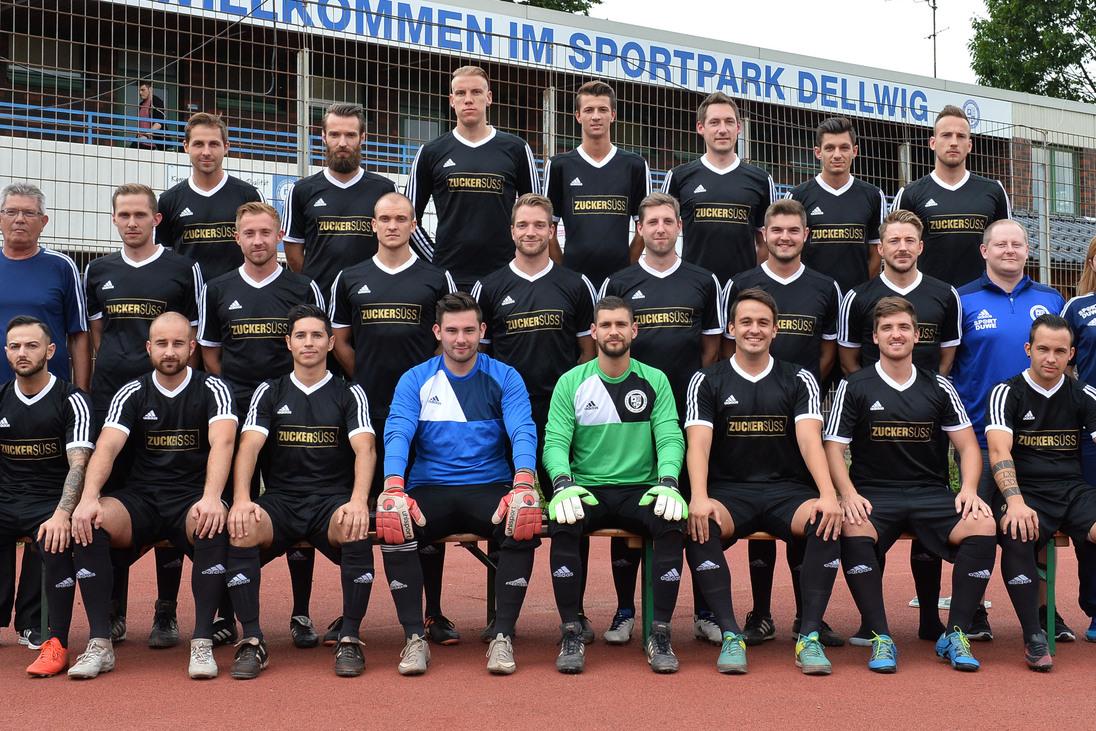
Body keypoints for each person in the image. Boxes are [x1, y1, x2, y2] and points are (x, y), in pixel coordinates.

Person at [825, 296, 997, 673]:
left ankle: (955, 633)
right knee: (851, 524)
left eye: (903, 327)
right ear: (874, 336)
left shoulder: (938, 386)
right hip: (874, 493)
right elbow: (833, 448)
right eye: (887, 328)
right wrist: (848, 494)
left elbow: (969, 446)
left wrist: (968, 489)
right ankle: (880, 637)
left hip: (930, 493)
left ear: (917, 335)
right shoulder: (854, 386)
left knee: (983, 523)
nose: (896, 334)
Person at [374, 292, 538, 675]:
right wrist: (393, 484)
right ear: (438, 332)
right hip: (431, 486)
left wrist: (524, 480)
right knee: (394, 522)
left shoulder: (505, 377)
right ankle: (415, 637)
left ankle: (503, 636)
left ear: (482, 331)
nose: (460, 339)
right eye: (451, 331)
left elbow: (522, 428)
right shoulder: (416, 378)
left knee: (522, 518)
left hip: (490, 484)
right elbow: (397, 430)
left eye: (468, 330)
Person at [683, 287, 842, 675]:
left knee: (826, 520)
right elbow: (698, 446)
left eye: (763, 323)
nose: (754, 329)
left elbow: (809, 440)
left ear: (775, 331)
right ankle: (730, 633)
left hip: (787, 492)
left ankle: (808, 636)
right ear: (732, 329)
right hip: (729, 492)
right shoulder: (706, 380)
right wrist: (699, 497)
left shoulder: (799, 378)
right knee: (698, 524)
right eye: (746, 322)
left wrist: (828, 494)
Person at [69, 312, 235, 680]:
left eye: (178, 343)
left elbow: (223, 442)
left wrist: (211, 497)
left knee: (212, 521)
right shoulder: (132, 391)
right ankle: (100, 643)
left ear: (192, 347)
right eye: (162, 344)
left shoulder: (214, 389)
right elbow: (107, 448)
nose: (170, 351)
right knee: (89, 521)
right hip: (142, 498)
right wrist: (88, 497)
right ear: (149, 348)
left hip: (190, 497)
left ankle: (203, 641)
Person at [329, 191, 455, 645]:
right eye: (384, 218)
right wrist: (361, 377)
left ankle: (433, 612)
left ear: (413, 223)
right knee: (359, 509)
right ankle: (350, 615)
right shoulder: (350, 278)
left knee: (423, 510)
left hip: (425, 410)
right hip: (365, 409)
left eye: (401, 218)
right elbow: (339, 339)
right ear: (373, 224)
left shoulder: (435, 275)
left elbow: (447, 338)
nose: (392, 226)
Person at [225, 305, 377, 679]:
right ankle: (253, 641)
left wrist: (358, 501)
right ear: (288, 343)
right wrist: (243, 499)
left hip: (331, 502)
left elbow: (365, 449)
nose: (308, 343)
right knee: (243, 527)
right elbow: (248, 446)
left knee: (355, 526)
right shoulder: (270, 390)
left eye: (316, 335)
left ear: (330, 342)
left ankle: (350, 640)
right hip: (281, 501)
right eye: (300, 336)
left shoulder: (349, 393)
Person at [198, 201, 325, 648]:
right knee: (237, 509)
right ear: (237, 237)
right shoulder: (217, 288)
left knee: (294, 503)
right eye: (249, 233)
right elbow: (210, 350)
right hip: (236, 418)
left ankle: (301, 612)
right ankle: (225, 614)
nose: (258, 241)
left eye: (266, 233)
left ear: (278, 236)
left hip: (291, 410)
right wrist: (231, 395)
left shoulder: (303, 286)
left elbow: (315, 349)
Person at [600, 191, 722, 643]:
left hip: (686, 412)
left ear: (679, 227)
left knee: (688, 508)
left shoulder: (703, 281)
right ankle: (625, 610)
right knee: (626, 506)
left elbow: (712, 349)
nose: (660, 229)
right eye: (651, 222)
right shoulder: (620, 281)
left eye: (668, 221)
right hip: (629, 412)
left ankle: (706, 610)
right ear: (640, 228)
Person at [473, 193, 596, 641]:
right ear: (512, 231)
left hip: (562, 418)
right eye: (523, 225)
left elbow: (587, 353)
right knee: (508, 513)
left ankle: (575, 612)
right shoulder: (489, 287)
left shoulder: (575, 285)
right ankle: (501, 617)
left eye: (539, 225)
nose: (531, 232)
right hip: (507, 420)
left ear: (552, 231)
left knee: (569, 512)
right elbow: (481, 362)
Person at [721, 199, 843, 648]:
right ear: (764, 235)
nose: (785, 237)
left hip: (800, 407)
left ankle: (808, 617)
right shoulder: (740, 284)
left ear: (805, 235)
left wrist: (806, 386)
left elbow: (830, 350)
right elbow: (724, 346)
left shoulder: (825, 287)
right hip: (749, 411)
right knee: (758, 505)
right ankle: (760, 612)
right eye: (777, 231)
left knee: (801, 509)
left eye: (794, 230)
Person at [837, 208, 963, 644]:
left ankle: (931, 617)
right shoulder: (860, 296)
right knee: (874, 517)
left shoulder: (944, 294)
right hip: (876, 417)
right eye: (894, 241)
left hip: (926, 414)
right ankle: (872, 621)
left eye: (910, 240)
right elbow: (849, 357)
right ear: (882, 247)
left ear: (921, 246)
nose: (902, 248)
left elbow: (947, 356)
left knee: (927, 523)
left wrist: (927, 393)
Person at [543, 295, 686, 674]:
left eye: (621, 324)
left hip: (641, 487)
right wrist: (561, 483)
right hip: (586, 488)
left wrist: (669, 480)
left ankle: (660, 633)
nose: (613, 331)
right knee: (564, 522)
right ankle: (571, 631)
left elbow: (670, 437)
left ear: (634, 330)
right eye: (605, 325)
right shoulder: (571, 382)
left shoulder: (654, 379)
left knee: (671, 523)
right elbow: (555, 441)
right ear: (593, 331)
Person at [85, 183, 201, 649]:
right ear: (114, 220)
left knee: (170, 495)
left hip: (170, 401)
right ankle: (113, 611)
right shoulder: (98, 270)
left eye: (140, 214)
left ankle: (166, 611)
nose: (131, 222)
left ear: (157, 219)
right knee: (116, 502)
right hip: (114, 398)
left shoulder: (182, 268)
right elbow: (96, 334)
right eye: (123, 215)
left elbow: (193, 334)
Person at [946, 219, 1067, 642]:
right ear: (985, 251)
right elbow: (948, 365)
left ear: (1027, 250)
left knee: (1032, 525)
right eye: (1001, 244)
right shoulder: (962, 299)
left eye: (1017, 244)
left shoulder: (1050, 299)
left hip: (1034, 438)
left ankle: (1045, 610)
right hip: (978, 435)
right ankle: (973, 612)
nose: (1009, 250)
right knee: (976, 523)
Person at [0, 182, 89, 647]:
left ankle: (34, 622)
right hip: (2, 403)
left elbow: (78, 333)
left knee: (43, 511)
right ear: (0, 218)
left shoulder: (61, 267)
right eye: (11, 211)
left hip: (48, 402)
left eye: (28, 213)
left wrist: (82, 391)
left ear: (43, 221)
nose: (19, 219)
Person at [985, 314, 1096, 670]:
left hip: (1072, 489)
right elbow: (999, 451)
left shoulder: (1084, 394)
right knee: (1017, 533)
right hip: (1024, 489)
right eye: (1043, 349)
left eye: (1059, 351)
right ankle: (1033, 635)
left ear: (1071, 354)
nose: (1051, 358)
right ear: (1028, 349)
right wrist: (1014, 503)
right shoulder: (1007, 392)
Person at [0, 317, 94, 677]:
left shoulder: (72, 399)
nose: (22, 353)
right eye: (15, 346)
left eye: (31, 345)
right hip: (7, 498)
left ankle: (36, 626)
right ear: (7, 352)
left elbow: (79, 466)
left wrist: (62, 512)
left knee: (50, 534)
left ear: (51, 351)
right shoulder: (2, 397)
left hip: (49, 500)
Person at [406, 65, 539, 290]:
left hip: (505, 277)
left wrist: (519, 262)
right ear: (451, 100)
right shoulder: (431, 152)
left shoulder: (516, 149)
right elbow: (406, 219)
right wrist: (435, 261)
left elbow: (538, 215)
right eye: (460, 93)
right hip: (450, 278)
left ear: (489, 98)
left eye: (476, 92)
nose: (468, 99)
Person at [282, 103, 398, 298]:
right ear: (323, 137)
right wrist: (315, 287)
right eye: (335, 135)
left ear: (362, 138)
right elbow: (293, 254)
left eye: (350, 135)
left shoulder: (385, 190)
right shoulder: (301, 191)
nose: (342, 143)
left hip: (372, 300)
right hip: (319, 301)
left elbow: (396, 246)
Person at [542, 80, 651, 287]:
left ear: (613, 115)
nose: (596, 116)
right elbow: (548, 230)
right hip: (573, 280)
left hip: (620, 281)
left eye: (602, 109)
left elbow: (643, 228)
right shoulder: (559, 166)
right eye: (589, 110)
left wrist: (627, 268)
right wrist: (563, 271)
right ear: (578, 115)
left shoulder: (635, 166)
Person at [661, 92, 775, 285]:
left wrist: (750, 280)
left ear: (738, 128)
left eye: (729, 122)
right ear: (700, 127)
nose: (723, 129)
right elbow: (660, 231)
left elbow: (766, 242)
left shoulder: (761, 180)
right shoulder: (678, 177)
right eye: (714, 122)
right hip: (692, 287)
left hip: (743, 290)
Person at [892, 105, 1011, 288]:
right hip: (929, 298)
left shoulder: (993, 191)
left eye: (961, 136)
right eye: (946, 135)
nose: (954, 142)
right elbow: (894, 251)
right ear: (932, 143)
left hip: (981, 298)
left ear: (969, 145)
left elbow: (1007, 247)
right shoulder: (910, 194)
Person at [155, 113, 264, 284]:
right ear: (186, 146)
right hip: (187, 301)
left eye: (214, 144)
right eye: (198, 144)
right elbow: (164, 260)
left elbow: (261, 250)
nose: (206, 152)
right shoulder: (168, 200)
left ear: (226, 147)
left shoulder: (249, 196)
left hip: (236, 299)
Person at [785, 116, 885, 295]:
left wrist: (860, 292)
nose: (837, 155)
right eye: (829, 148)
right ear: (817, 152)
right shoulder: (797, 196)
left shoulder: (873, 195)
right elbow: (789, 251)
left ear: (854, 151)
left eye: (844, 148)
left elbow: (876, 253)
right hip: (810, 297)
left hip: (857, 298)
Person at [1060, 234, 1096, 643]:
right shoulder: (1078, 308)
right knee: (1092, 522)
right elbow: (1059, 362)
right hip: (1089, 433)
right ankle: (1095, 608)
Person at [132, 80, 165, 150]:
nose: (140, 93)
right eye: (139, 90)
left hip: (152, 143)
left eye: (143, 90)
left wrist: (146, 136)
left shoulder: (156, 102)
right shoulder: (141, 105)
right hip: (140, 141)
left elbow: (158, 124)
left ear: (150, 89)